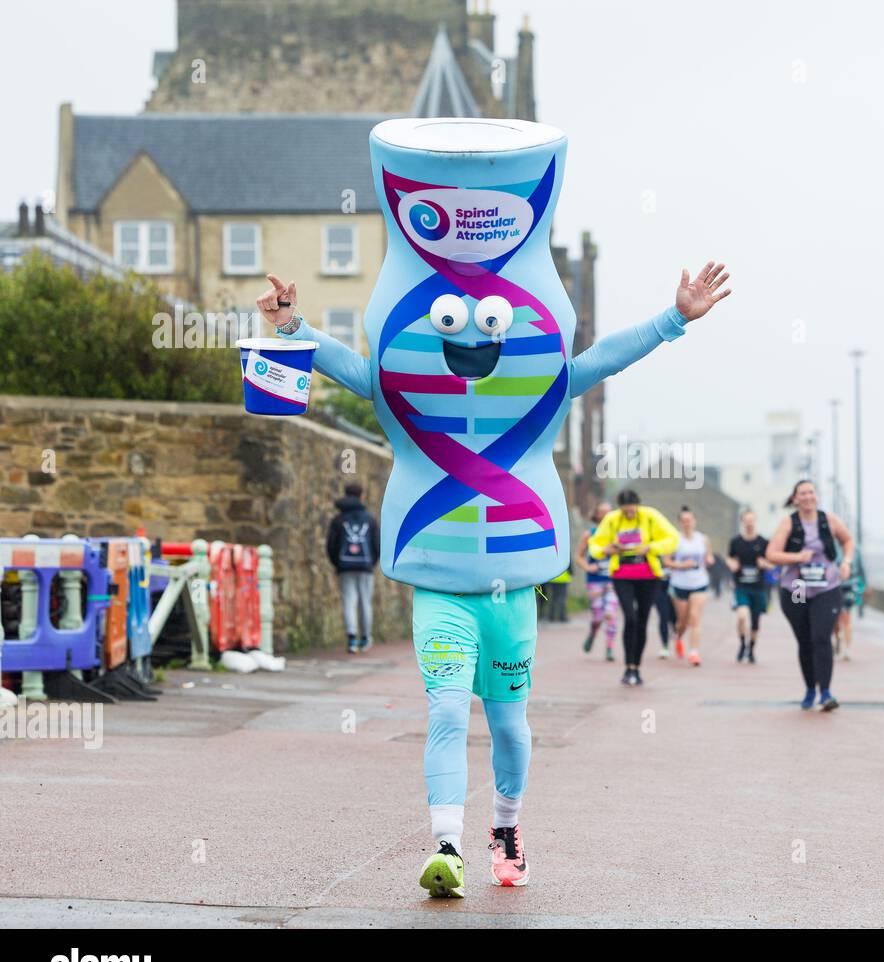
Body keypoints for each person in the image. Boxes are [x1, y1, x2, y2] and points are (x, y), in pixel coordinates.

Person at [255, 252, 729, 899]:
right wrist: (290, 326)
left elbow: (603, 358)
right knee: (448, 709)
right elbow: (350, 367)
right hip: (441, 590)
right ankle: (446, 846)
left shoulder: (546, 382)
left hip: (512, 594)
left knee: (508, 725)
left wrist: (675, 317)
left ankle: (506, 827)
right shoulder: (400, 384)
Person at [766, 480, 855, 711]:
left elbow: (848, 540)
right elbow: (771, 554)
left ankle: (825, 692)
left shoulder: (829, 520)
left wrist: (846, 562)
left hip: (826, 587)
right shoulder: (789, 523)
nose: (807, 497)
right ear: (795, 498)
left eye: (811, 492)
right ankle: (809, 689)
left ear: (817, 496)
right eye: (802, 493)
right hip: (796, 587)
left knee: (821, 638)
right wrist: (797, 558)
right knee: (805, 640)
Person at [588, 489, 681, 685]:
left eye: (632, 510)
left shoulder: (650, 516)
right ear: (620, 508)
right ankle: (627, 667)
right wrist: (606, 549)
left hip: (649, 575)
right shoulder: (612, 519)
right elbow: (594, 545)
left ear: (638, 505)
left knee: (642, 621)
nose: (629, 514)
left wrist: (651, 547)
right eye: (626, 511)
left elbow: (673, 539)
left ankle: (636, 668)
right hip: (622, 574)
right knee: (630, 618)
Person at [326, 482, 381, 654]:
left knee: (349, 601)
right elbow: (377, 544)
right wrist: (372, 563)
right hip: (365, 566)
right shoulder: (369, 518)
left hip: (345, 566)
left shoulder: (338, 519)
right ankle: (365, 638)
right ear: (361, 496)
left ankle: (351, 639)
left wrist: (338, 563)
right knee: (365, 602)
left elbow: (331, 545)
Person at [664, 506, 714, 666]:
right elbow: (666, 562)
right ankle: (678, 637)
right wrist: (682, 565)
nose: (687, 523)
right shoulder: (674, 540)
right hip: (680, 583)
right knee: (682, 622)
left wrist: (709, 560)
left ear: (694, 521)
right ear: (680, 523)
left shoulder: (703, 539)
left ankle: (694, 652)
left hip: (699, 582)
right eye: (684, 521)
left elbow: (709, 557)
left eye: (690, 520)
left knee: (695, 617)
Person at [726, 510, 769, 663]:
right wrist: (732, 564)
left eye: (752, 520)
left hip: (758, 587)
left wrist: (765, 564)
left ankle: (751, 649)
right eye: (746, 520)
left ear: (755, 521)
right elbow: (729, 558)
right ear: (742, 522)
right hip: (741, 586)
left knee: (755, 622)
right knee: (742, 616)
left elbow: (772, 562)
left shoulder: (763, 542)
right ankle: (742, 644)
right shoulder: (736, 542)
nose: (749, 523)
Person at [577, 502, 617, 662]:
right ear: (597, 515)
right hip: (595, 580)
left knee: (610, 614)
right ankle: (593, 632)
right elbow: (579, 557)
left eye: (609, 512)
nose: (606, 516)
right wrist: (588, 567)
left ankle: (609, 647)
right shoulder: (590, 534)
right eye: (603, 512)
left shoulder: (617, 533)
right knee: (598, 616)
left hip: (613, 580)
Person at [834, 553, 866, 661]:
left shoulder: (856, 550)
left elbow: (862, 570)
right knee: (835, 619)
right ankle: (837, 638)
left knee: (846, 617)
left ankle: (847, 649)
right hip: (834, 586)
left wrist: (864, 586)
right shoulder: (832, 546)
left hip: (850, 587)